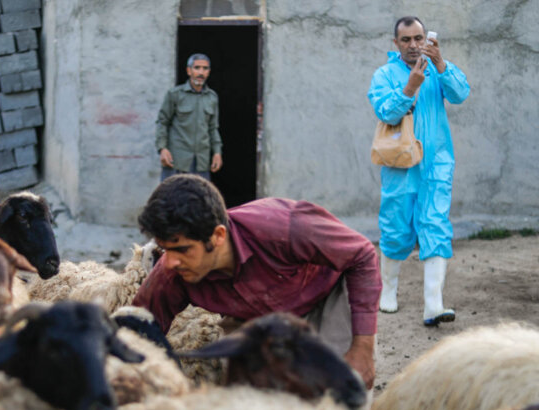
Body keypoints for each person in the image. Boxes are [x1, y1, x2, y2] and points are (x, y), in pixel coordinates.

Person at [132, 174, 381, 388]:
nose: (172, 261)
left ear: (218, 236)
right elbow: (136, 325)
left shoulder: (285, 227)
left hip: (326, 301)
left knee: (341, 393)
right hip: (257, 322)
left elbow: (362, 255)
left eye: (183, 249)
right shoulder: (172, 273)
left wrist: (363, 348)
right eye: (165, 250)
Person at [368, 16, 470, 327]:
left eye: (418, 38)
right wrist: (409, 87)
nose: (414, 45)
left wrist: (442, 65)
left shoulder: (437, 68)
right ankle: (388, 290)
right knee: (396, 226)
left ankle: (433, 304)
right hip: (400, 163)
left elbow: (461, 93)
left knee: (435, 224)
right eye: (406, 40)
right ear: (396, 43)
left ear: (426, 38)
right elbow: (385, 111)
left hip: (436, 160)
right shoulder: (384, 74)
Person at [155, 53, 223, 182]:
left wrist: (217, 152)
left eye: (205, 68)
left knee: (200, 199)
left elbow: (213, 128)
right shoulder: (175, 95)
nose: (201, 72)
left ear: (209, 72)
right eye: (197, 68)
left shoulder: (212, 97)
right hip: (177, 161)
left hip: (201, 162)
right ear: (189, 70)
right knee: (171, 199)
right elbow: (163, 122)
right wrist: (162, 148)